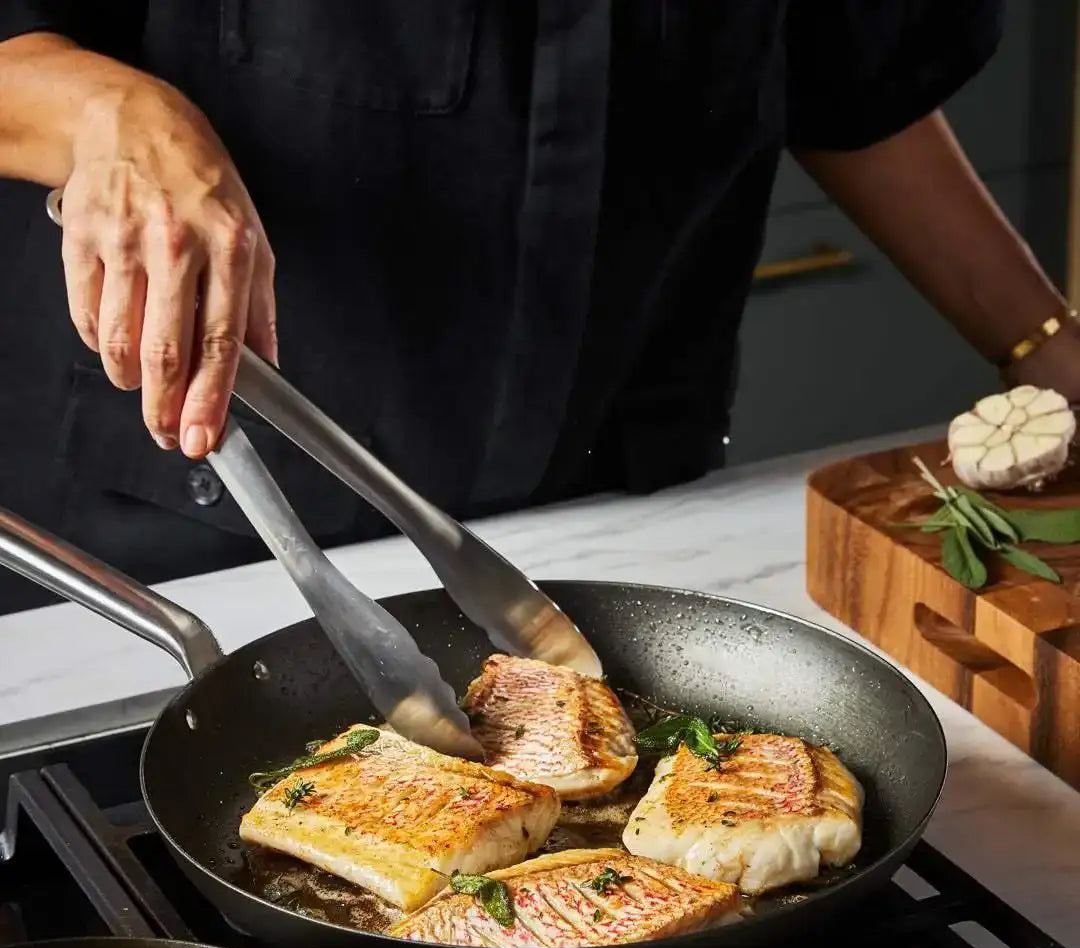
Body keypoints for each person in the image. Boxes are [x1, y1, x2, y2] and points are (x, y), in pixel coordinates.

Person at [0, 2, 1075, 616]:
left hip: (629, 511)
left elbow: (853, 79)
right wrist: (108, 109)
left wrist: (1047, 347)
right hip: (199, 536)